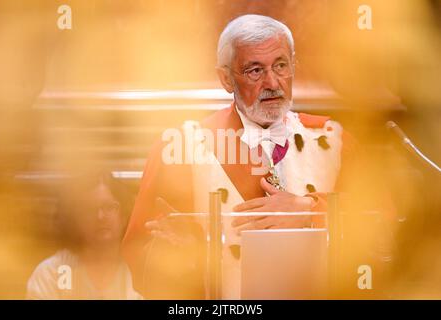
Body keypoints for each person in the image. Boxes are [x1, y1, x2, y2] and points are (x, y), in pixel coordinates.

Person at [122, 14, 375, 299]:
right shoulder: (180, 149)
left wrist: (311, 211)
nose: (272, 82)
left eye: (281, 66)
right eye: (255, 70)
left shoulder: (336, 141)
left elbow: (382, 232)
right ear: (226, 79)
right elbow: (140, 258)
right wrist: (178, 260)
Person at [26, 171, 142, 300]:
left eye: (109, 207)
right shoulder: (50, 274)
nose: (100, 217)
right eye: (90, 209)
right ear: (76, 220)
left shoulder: (143, 272)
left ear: (124, 216)